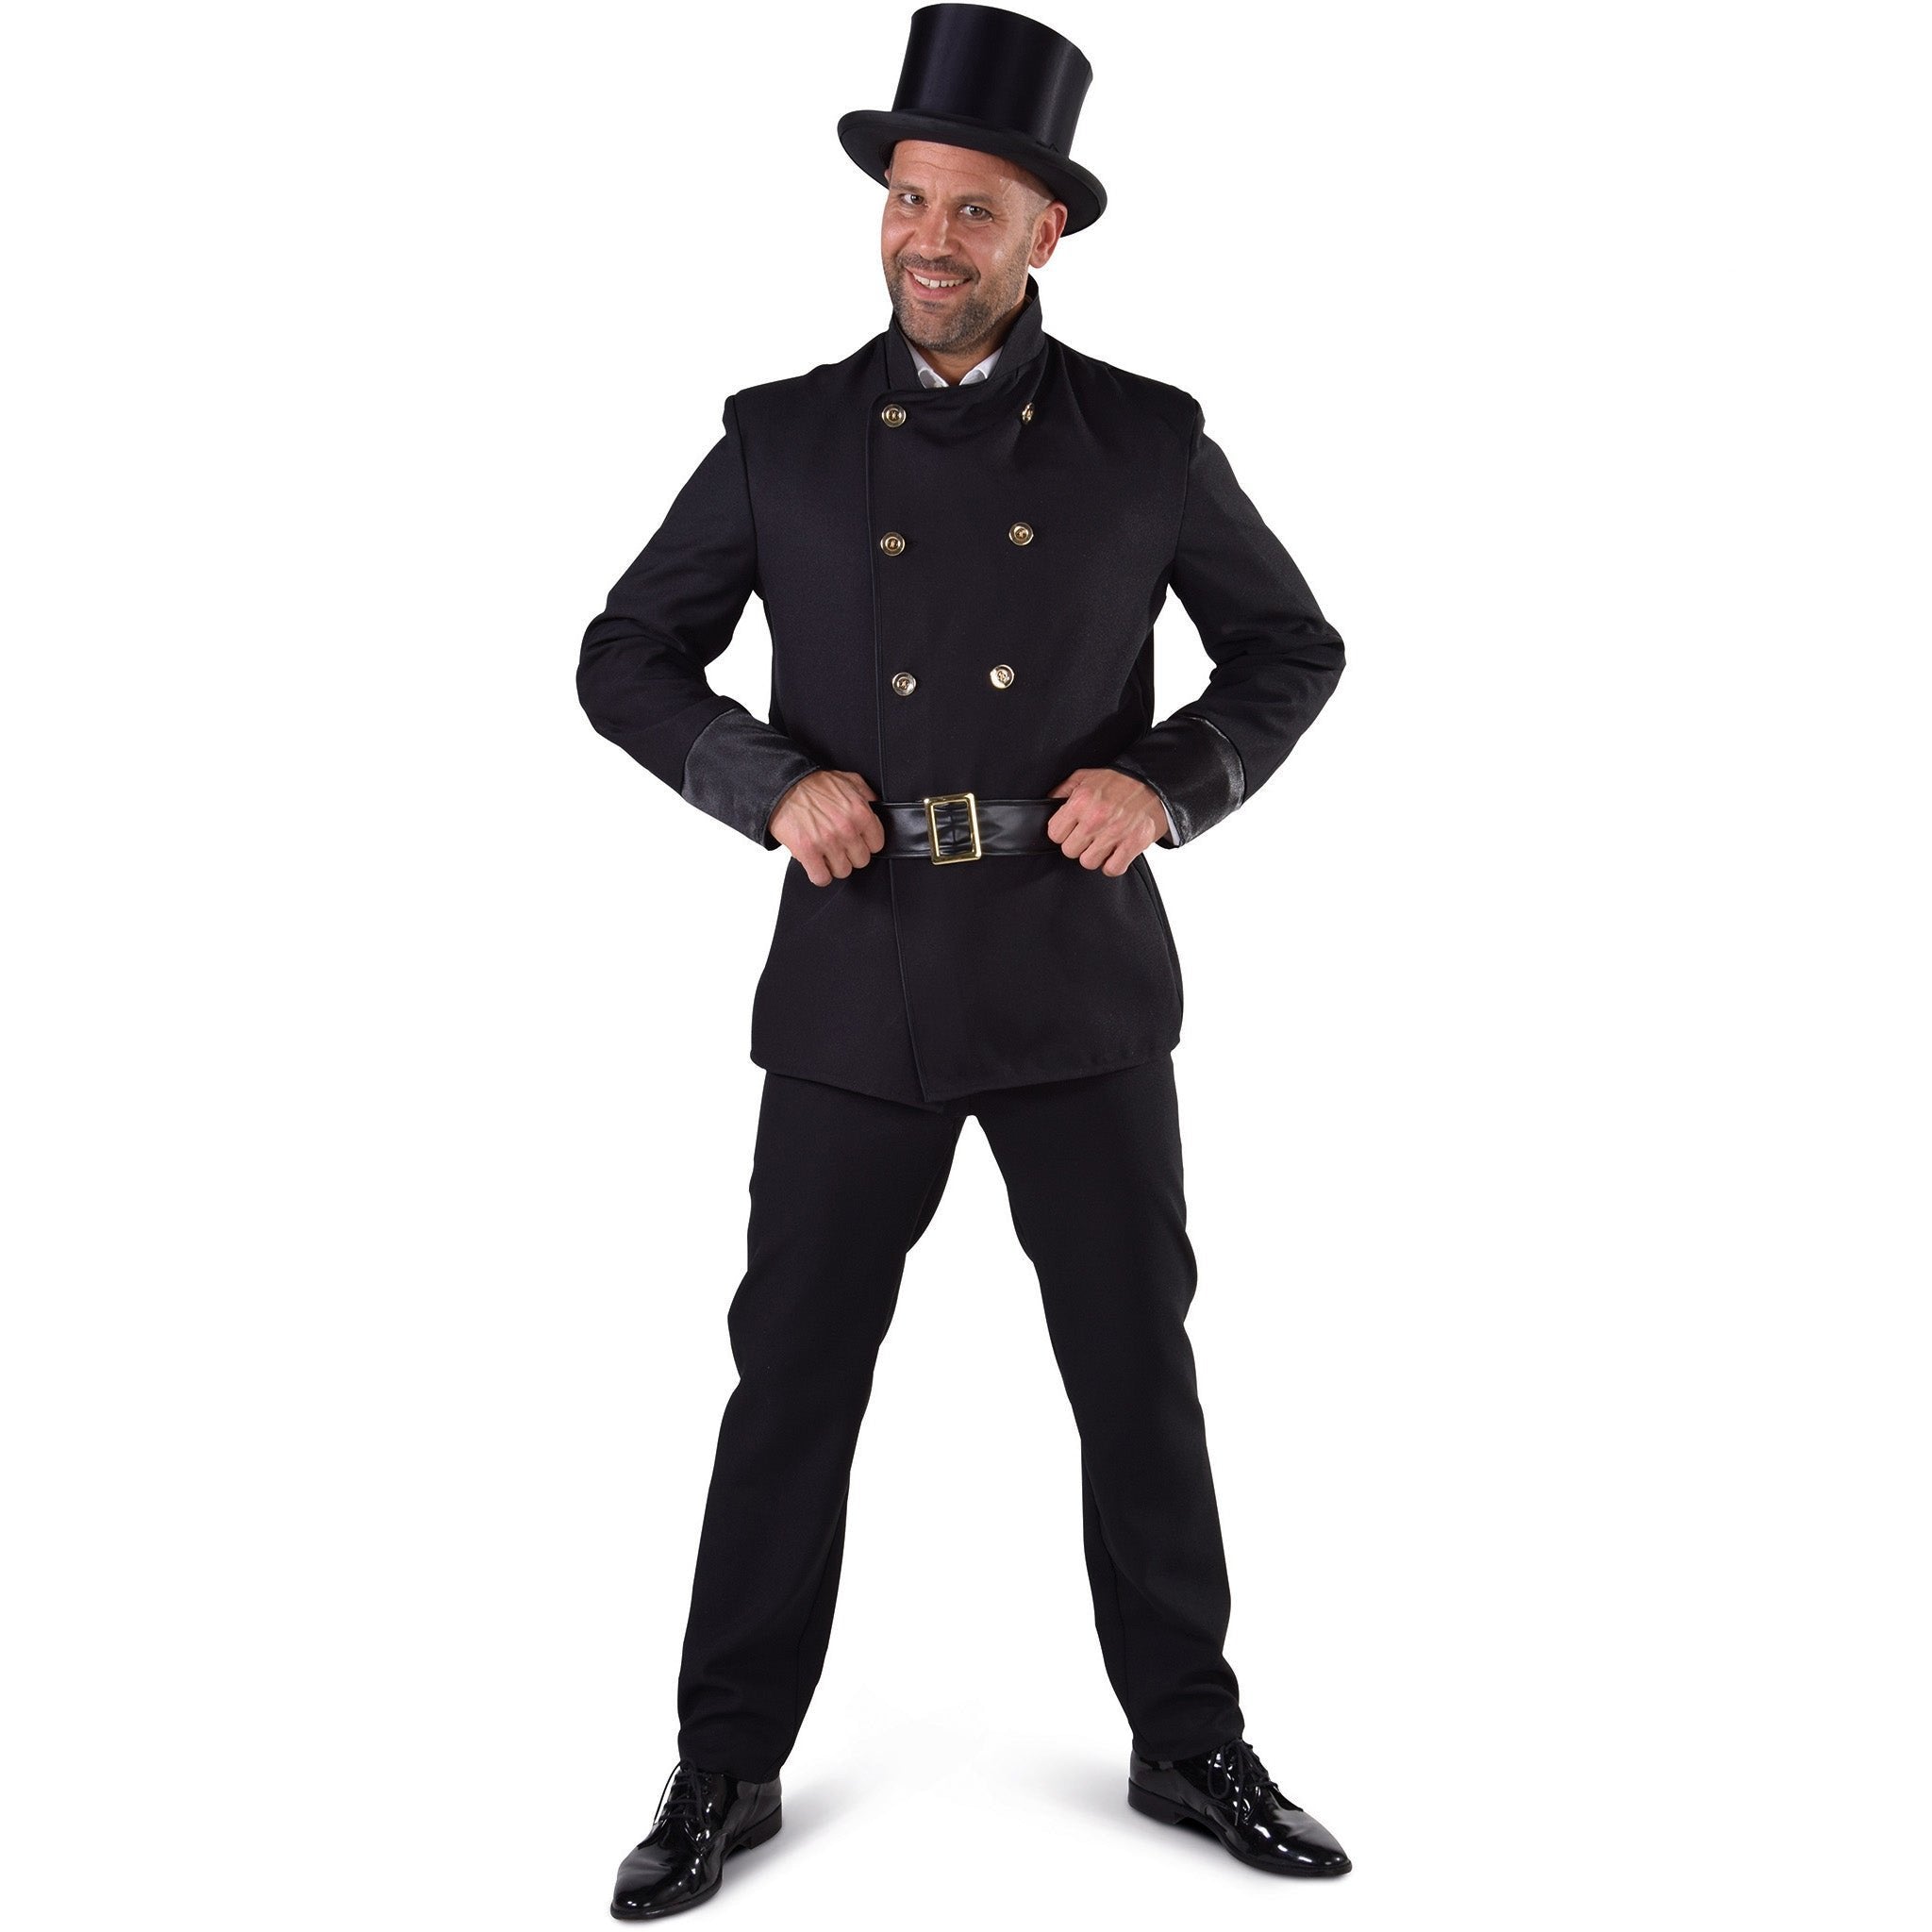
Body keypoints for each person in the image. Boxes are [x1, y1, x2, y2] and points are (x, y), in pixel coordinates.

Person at [577, 6, 1351, 1915]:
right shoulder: (778, 437)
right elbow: (625, 654)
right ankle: (723, 1762)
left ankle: (1188, 1738)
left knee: (1135, 1374)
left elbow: (1289, 647)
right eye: (909, 200)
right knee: (791, 1381)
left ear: (1045, 231)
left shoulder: (1146, 439)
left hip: (1078, 978)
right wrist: (766, 784)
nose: (929, 238)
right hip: (854, 983)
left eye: (973, 210)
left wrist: (1169, 782)